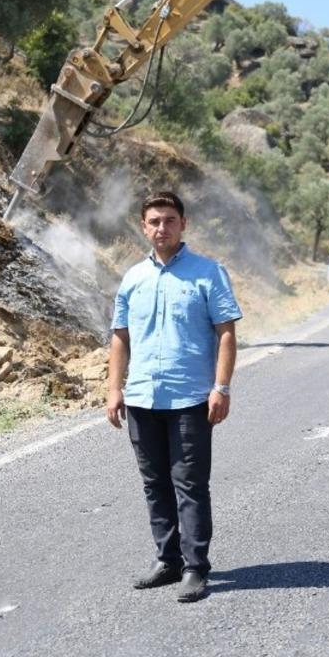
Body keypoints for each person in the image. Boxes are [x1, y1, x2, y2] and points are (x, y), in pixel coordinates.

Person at [107, 190, 242, 603]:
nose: (161, 228)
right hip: (143, 398)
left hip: (190, 399)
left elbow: (226, 334)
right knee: (154, 483)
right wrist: (115, 388)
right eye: (153, 221)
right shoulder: (132, 278)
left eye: (169, 220)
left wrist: (221, 388)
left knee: (190, 484)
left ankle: (196, 567)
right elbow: (120, 338)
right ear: (143, 227)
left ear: (183, 224)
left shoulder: (208, 273)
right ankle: (167, 560)